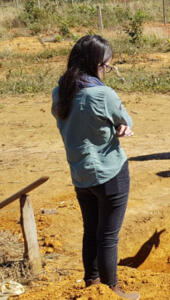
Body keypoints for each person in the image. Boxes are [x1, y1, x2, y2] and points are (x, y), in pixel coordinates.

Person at [52, 35, 139, 300]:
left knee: (91, 230)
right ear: (97, 64)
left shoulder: (60, 91)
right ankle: (112, 289)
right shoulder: (102, 94)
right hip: (111, 172)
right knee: (108, 235)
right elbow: (125, 119)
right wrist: (122, 127)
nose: (107, 70)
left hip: (80, 174)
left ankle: (93, 283)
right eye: (107, 66)